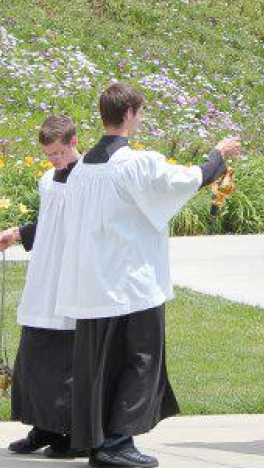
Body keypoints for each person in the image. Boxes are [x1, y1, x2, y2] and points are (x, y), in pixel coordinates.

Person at [55, 82, 241, 468]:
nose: (140, 120)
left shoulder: (81, 170)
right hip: (130, 283)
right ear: (128, 115)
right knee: (141, 359)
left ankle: (98, 441)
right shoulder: (134, 164)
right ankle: (118, 441)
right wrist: (218, 155)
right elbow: (186, 180)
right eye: (139, 113)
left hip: (91, 284)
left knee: (98, 367)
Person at [0, 115, 83, 458]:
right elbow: (48, 223)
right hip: (43, 277)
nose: (54, 160)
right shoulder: (48, 179)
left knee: (65, 359)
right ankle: (41, 426)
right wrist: (15, 235)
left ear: (74, 141)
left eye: (59, 153)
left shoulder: (90, 177)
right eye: (49, 155)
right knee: (34, 353)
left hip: (72, 277)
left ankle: (71, 433)